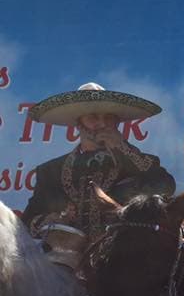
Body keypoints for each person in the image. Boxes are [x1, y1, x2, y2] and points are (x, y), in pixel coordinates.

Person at [21, 82, 175, 254]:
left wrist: (123, 147)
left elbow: (166, 187)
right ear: (78, 124)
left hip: (121, 259)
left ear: (117, 123)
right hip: (64, 262)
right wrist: (48, 220)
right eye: (93, 117)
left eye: (108, 118)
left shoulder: (136, 162)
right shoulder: (51, 171)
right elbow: (27, 220)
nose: (102, 124)